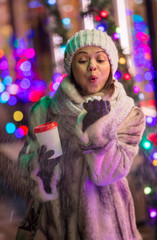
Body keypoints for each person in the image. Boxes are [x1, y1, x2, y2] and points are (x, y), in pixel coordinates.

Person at [18, 29, 145, 240]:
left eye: (101, 59)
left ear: (111, 66)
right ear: (70, 67)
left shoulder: (129, 115)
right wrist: (44, 166)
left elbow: (106, 174)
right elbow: (27, 164)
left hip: (107, 228)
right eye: (83, 60)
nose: (92, 66)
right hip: (58, 226)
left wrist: (96, 133)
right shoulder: (45, 111)